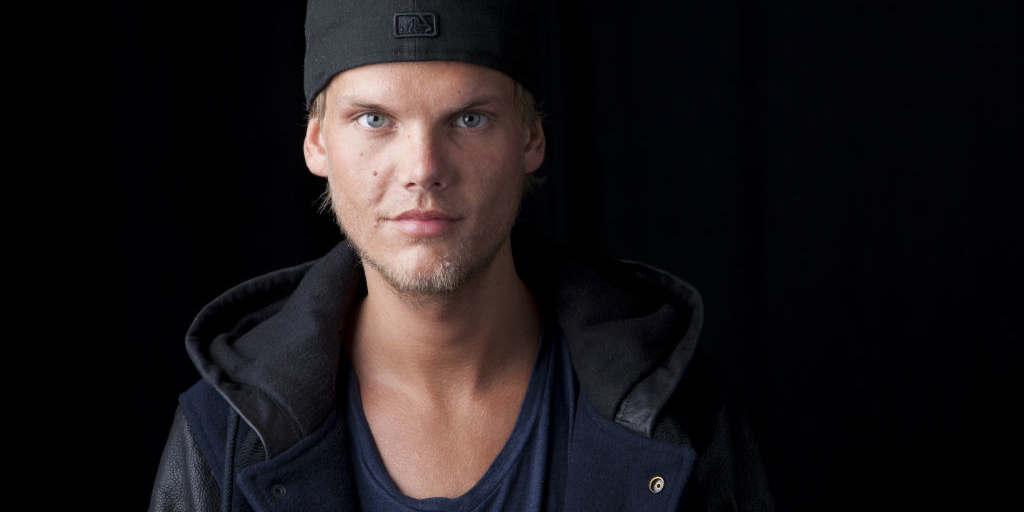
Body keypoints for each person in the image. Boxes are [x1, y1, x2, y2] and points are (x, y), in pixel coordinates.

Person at [148, 1, 775, 510]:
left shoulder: (681, 414)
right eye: (374, 119)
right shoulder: (226, 432)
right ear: (317, 144)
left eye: (470, 119)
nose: (423, 168)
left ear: (531, 138)